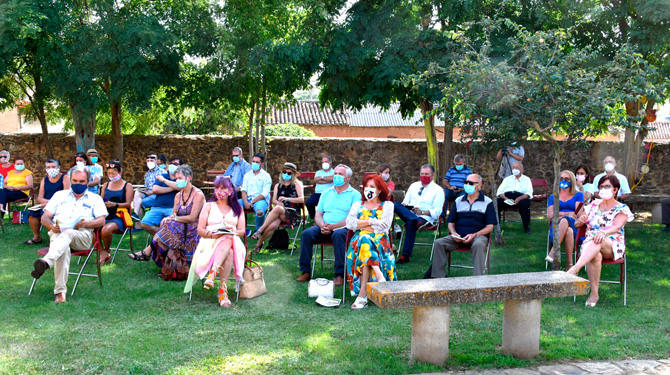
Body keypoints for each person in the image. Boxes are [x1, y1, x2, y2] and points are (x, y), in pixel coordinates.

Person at [30, 167, 107, 303]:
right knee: (63, 248)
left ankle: (47, 262)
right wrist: (51, 226)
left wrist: (84, 224)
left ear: (88, 181)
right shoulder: (60, 195)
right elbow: (45, 217)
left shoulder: (95, 198)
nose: (78, 184)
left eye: (82, 181)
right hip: (58, 233)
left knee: (68, 233)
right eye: (75, 181)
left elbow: (101, 220)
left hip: (82, 236)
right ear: (70, 180)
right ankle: (60, 293)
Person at [568, 175, 634, 307]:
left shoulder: (622, 208)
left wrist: (603, 233)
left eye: (607, 186)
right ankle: (594, 294)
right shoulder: (592, 205)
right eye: (601, 186)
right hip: (591, 246)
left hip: (612, 244)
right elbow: (576, 224)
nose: (603, 189)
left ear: (615, 190)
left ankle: (575, 268)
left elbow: (617, 226)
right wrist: (580, 221)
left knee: (597, 239)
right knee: (595, 255)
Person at [130, 166, 205, 280]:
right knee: (165, 223)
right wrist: (169, 218)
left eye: (180, 178)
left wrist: (173, 219)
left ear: (189, 178)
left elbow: (192, 217)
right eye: (176, 179)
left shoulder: (198, 195)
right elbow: (174, 214)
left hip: (193, 231)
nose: (177, 181)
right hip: (180, 228)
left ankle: (148, 251)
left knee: (167, 228)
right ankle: (166, 262)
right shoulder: (178, 195)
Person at [185, 176, 246, 307]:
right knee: (228, 251)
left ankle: (213, 274)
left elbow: (242, 231)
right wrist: (213, 235)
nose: (219, 191)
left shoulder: (238, 208)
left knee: (229, 239)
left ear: (230, 191)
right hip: (209, 242)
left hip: (233, 240)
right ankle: (222, 292)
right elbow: (200, 229)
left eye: (223, 188)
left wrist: (232, 230)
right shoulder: (208, 206)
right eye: (217, 188)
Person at [296, 164, 359, 284]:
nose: (336, 176)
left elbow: (352, 219)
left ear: (347, 178)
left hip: (343, 229)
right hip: (324, 227)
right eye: (335, 173)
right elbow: (318, 214)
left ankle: (339, 274)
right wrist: (323, 226)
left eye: (340, 174)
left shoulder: (355, 194)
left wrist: (333, 227)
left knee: (339, 234)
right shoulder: (326, 193)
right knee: (306, 234)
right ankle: (305, 271)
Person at [344, 174, 396, 309]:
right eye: (366, 187)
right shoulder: (357, 205)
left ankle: (362, 295)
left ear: (379, 190)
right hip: (358, 242)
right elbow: (349, 224)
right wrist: (372, 222)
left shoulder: (388, 205)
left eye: (372, 187)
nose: (368, 189)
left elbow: (385, 226)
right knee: (364, 239)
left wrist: (362, 224)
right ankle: (379, 275)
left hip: (380, 242)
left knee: (365, 240)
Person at [430, 174, 497, 277]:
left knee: (478, 244)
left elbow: (490, 227)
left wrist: (474, 235)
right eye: (466, 182)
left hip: (478, 236)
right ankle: (438, 278)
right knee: (439, 243)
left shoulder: (487, 202)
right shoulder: (458, 200)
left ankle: (478, 279)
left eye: (470, 183)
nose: (467, 185)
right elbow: (451, 222)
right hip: (458, 237)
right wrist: (453, 233)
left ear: (479, 185)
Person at [393, 164, 444, 264]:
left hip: (424, 218)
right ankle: (413, 219)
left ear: (433, 175)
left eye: (427, 174)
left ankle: (405, 256)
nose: (424, 176)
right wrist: (406, 206)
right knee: (394, 204)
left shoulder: (438, 190)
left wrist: (422, 212)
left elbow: (438, 212)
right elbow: (405, 201)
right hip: (410, 213)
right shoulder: (414, 186)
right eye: (422, 174)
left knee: (411, 222)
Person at [251, 162, 304, 253]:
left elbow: (302, 199)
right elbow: (274, 201)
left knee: (278, 208)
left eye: (289, 173)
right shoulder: (277, 186)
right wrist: (279, 203)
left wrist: (287, 199)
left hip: (292, 214)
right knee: (273, 225)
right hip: (279, 213)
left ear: (293, 174)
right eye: (284, 172)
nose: (286, 174)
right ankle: (258, 246)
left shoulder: (297, 184)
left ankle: (260, 230)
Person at [24, 159, 70, 245]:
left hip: (60, 205)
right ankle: (37, 237)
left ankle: (55, 237)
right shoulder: (44, 180)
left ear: (59, 167)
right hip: (46, 204)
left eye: (53, 167)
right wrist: (48, 202)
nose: (51, 169)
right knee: (32, 213)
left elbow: (66, 195)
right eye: (48, 167)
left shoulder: (65, 178)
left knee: (50, 215)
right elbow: (40, 197)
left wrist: (52, 203)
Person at [544, 171, 585, 269]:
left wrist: (559, 214)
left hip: (574, 224)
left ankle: (553, 252)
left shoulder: (578, 195)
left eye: (566, 179)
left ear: (572, 181)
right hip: (556, 227)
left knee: (565, 221)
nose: (563, 181)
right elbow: (550, 216)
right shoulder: (553, 197)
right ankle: (570, 265)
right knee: (568, 230)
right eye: (561, 179)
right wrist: (567, 214)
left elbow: (578, 214)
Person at [99, 160, 134, 266]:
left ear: (120, 172)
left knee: (106, 230)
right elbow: (100, 200)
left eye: (113, 173)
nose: (111, 175)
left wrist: (115, 204)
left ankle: (107, 250)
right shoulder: (105, 185)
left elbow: (128, 204)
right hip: (106, 215)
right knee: (91, 229)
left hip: (120, 217)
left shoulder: (128, 186)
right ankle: (102, 252)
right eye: (109, 173)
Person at [138, 157, 181, 236]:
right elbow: (155, 189)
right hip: (157, 207)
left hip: (173, 208)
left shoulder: (181, 178)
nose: (173, 166)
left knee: (175, 226)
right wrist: (173, 188)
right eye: (171, 164)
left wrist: (164, 181)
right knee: (144, 224)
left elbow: (180, 187)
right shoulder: (162, 175)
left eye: (175, 164)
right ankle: (165, 236)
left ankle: (163, 240)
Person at [496, 161, 533, 234]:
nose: (514, 169)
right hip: (507, 197)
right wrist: (506, 199)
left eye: (516, 167)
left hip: (521, 197)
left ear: (521, 169)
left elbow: (529, 193)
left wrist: (519, 198)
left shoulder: (527, 179)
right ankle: (497, 226)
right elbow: (499, 192)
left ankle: (526, 227)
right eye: (513, 167)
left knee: (525, 203)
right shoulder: (507, 179)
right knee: (497, 202)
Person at [239, 153, 272, 229]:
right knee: (234, 206)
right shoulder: (247, 175)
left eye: (257, 162)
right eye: (253, 161)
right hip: (248, 199)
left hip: (260, 200)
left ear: (262, 164)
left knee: (259, 212)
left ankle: (258, 231)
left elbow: (264, 194)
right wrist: (246, 202)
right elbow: (243, 190)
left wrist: (252, 202)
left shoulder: (266, 176)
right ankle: (243, 229)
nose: (254, 163)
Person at [131, 152, 164, 221]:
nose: (149, 162)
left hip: (158, 195)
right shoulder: (147, 174)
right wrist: (144, 190)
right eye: (148, 160)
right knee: (137, 192)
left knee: (139, 202)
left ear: (156, 161)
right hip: (148, 193)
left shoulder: (162, 172)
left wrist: (151, 192)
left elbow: (163, 188)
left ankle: (138, 222)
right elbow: (146, 187)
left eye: (151, 160)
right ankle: (136, 215)